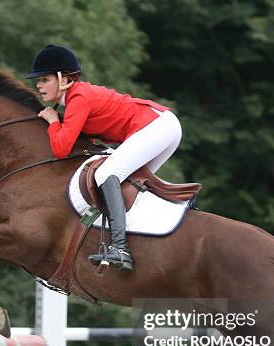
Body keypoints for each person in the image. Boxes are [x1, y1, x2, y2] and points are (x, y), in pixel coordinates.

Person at [26, 44, 183, 271]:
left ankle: (120, 248)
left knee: (107, 174)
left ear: (63, 79)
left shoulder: (78, 97)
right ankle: (150, 238)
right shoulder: (77, 99)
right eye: (38, 80)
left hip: (156, 126)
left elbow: (60, 149)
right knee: (131, 185)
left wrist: (52, 121)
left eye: (44, 79)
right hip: (163, 126)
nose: (38, 85)